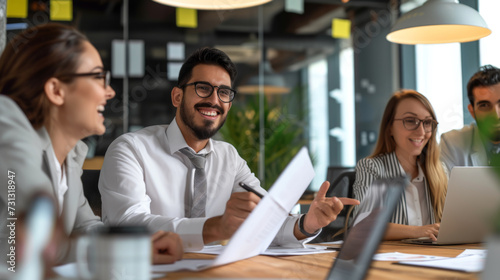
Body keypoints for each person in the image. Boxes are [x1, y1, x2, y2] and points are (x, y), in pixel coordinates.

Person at [99, 47, 359, 249]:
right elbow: (129, 223)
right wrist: (213, 229)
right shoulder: (130, 149)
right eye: (203, 88)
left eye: (224, 92)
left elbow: (265, 219)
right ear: (177, 96)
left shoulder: (229, 157)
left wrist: (307, 223)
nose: (214, 100)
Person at [0, 23, 183, 271]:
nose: (109, 92)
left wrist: (139, 241)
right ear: (56, 90)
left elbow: (84, 226)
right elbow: (35, 243)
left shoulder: (69, 158)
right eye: (98, 77)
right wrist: (126, 250)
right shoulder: (6, 122)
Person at [352, 90, 448, 241]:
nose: (421, 131)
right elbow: (364, 225)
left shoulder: (440, 171)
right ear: (389, 127)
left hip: (436, 257)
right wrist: (419, 231)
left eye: (427, 122)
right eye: (410, 121)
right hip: (390, 260)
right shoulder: (372, 167)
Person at [440, 65, 500, 172]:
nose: (496, 115)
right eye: (484, 105)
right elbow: (442, 187)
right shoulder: (452, 143)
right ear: (472, 111)